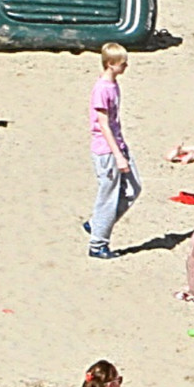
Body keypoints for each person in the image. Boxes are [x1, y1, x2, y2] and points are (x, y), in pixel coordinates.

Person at [86, 42, 136, 260]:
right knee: (108, 195)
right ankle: (98, 243)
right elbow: (103, 124)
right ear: (110, 64)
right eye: (121, 64)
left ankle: (97, 224)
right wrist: (117, 155)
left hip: (118, 144)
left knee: (134, 188)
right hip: (106, 150)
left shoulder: (112, 84)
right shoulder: (102, 89)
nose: (125, 67)